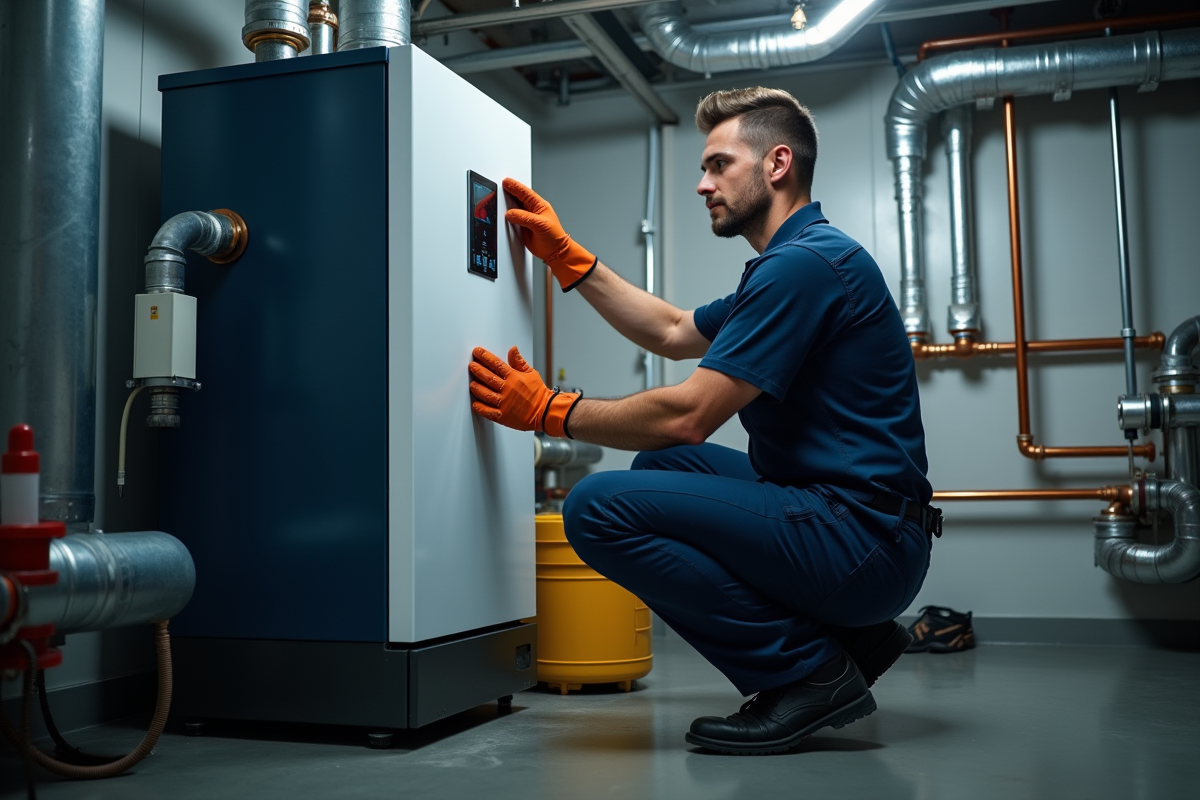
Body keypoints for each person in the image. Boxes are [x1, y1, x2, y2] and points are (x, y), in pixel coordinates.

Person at [468, 87, 938, 755]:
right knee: (665, 466)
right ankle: (852, 637)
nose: (702, 184)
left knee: (597, 507)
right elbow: (671, 330)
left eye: (719, 165)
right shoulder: (792, 262)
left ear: (777, 164)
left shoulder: (803, 267)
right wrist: (568, 257)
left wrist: (549, 410)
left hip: (860, 541)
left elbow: (687, 415)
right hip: (862, 526)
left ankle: (807, 673)